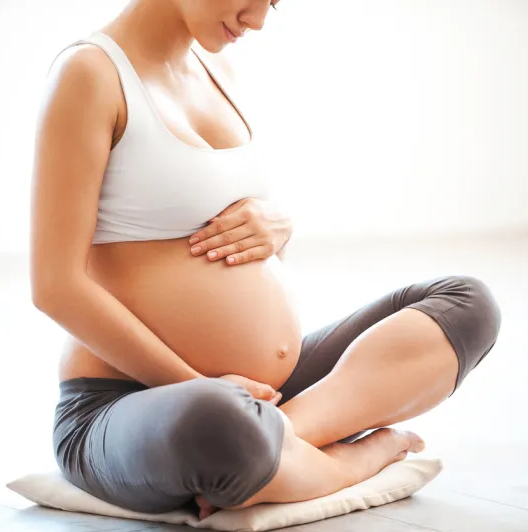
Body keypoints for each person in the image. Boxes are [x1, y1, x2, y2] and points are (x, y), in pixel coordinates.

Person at [30, 0, 501, 520]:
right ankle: (349, 462)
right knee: (217, 420)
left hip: (264, 392)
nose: (257, 20)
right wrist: (195, 386)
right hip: (129, 404)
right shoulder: (90, 75)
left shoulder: (219, 70)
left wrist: (279, 226)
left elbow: (234, 239)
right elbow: (56, 286)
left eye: (273, 3)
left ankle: (277, 440)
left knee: (466, 303)